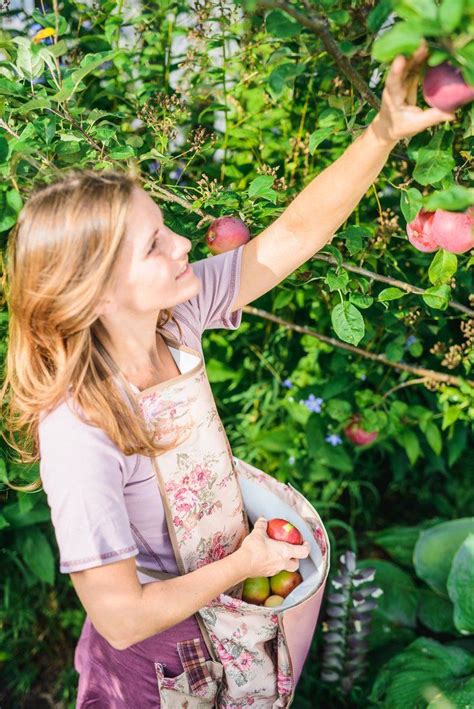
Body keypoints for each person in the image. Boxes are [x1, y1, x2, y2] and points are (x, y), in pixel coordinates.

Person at [1, 46, 454, 707]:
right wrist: (242, 564)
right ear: (93, 296)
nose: (182, 243)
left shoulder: (174, 321)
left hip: (232, 622)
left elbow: (293, 235)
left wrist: (382, 129)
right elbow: (120, 615)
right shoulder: (82, 430)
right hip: (153, 673)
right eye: (154, 245)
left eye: (165, 228)